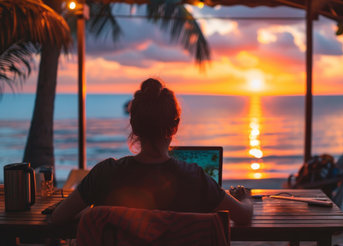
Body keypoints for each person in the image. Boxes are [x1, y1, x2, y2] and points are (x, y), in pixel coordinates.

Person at [50, 78, 253, 225]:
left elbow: (58, 217)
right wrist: (245, 198)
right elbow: (243, 217)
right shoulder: (195, 179)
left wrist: (92, 213)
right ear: (175, 126)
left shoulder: (104, 174)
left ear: (133, 125)